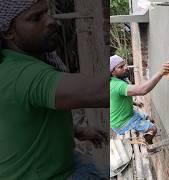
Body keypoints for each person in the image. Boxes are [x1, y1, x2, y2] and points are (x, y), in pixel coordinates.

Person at [0, 0, 108, 179]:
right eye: (35, 18)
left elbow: (16, 119)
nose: (51, 21)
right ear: (8, 31)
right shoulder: (21, 74)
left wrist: (75, 130)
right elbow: (97, 91)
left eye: (47, 12)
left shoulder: (10, 62)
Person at [110, 55, 169, 144]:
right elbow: (142, 90)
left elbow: (116, 98)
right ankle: (148, 143)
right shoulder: (116, 85)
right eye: (120, 67)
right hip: (122, 123)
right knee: (153, 129)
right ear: (113, 72)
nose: (126, 68)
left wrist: (135, 103)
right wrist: (160, 73)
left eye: (124, 65)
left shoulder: (115, 81)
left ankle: (147, 134)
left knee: (149, 118)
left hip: (126, 115)